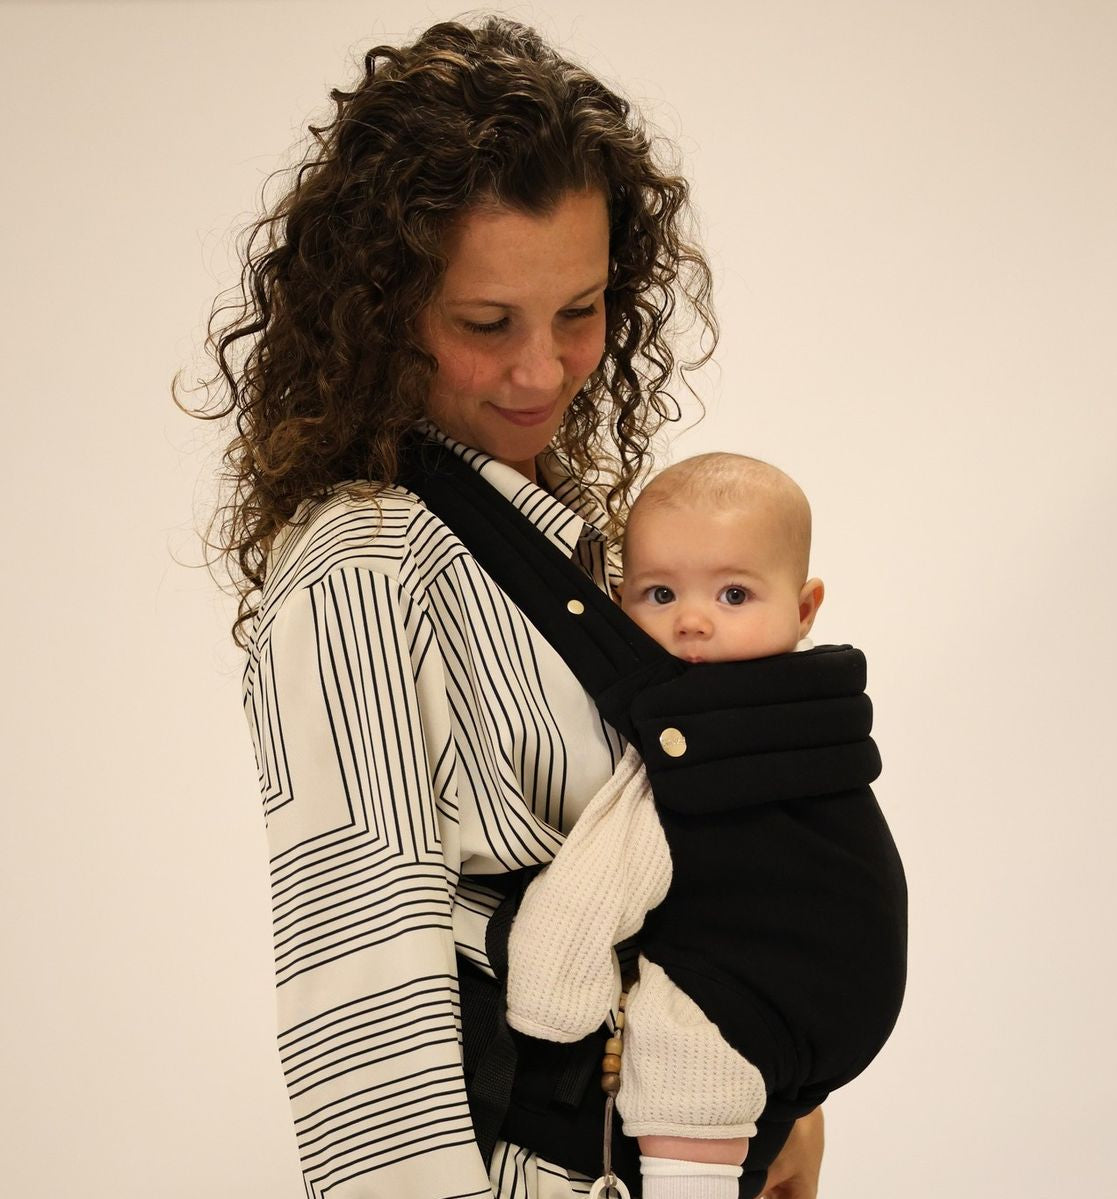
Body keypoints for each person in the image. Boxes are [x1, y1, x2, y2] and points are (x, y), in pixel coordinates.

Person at [182, 14, 827, 1198]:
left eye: (578, 311)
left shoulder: (556, 546)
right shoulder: (365, 567)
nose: (541, 371)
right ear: (378, 309)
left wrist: (773, 1087)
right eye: (486, 325)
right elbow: (361, 997)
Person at [506, 455, 906, 1199]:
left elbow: (600, 879)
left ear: (804, 606)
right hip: (848, 980)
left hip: (746, 1003)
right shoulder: (816, 715)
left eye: (732, 593)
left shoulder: (691, 736)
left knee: (678, 1048)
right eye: (658, 593)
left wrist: (546, 1007)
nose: (691, 620)